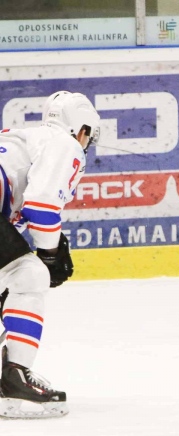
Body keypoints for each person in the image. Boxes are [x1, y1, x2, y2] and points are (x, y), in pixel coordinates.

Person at [0, 91, 100, 418]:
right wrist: (50, 255)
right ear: (81, 129)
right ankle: (13, 382)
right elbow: (42, 205)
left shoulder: (21, 139)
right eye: (87, 137)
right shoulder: (64, 143)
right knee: (29, 275)